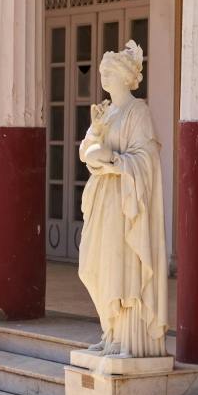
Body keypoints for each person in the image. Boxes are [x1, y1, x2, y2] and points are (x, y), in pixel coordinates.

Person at [76, 42, 167, 359]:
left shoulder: (137, 112)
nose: (103, 76)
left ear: (126, 77)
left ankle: (123, 337)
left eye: (109, 71)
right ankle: (109, 327)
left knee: (118, 265)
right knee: (92, 266)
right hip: (103, 197)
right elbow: (85, 149)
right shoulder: (105, 112)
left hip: (124, 199)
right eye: (101, 71)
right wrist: (95, 143)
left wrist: (113, 160)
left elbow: (147, 159)